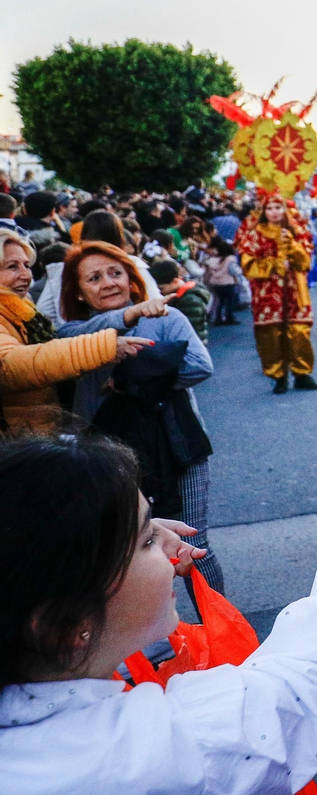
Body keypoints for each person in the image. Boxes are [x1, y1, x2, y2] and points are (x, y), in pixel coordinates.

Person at [0, 426, 317, 795]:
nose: (169, 543)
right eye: (146, 540)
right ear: (65, 627)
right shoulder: (152, 754)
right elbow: (310, 676)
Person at [57, 242, 222, 591]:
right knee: (125, 549)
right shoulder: (72, 336)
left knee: (192, 544)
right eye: (95, 278)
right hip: (108, 457)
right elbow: (66, 340)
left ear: (131, 280)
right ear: (79, 292)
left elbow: (199, 367)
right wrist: (130, 318)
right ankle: (154, 638)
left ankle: (222, 634)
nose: (108, 283)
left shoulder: (167, 319)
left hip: (177, 447)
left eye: (116, 273)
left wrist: (131, 381)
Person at [0, 230, 150, 434]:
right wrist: (104, 347)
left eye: (26, 265)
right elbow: (11, 365)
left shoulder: (24, 309)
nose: (26, 275)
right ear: (78, 292)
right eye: (12, 266)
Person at [236, 193, 317, 394]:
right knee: (270, 333)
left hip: (294, 289)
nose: (274, 213)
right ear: (263, 212)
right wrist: (273, 264)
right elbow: (248, 264)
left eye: (278, 208)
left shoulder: (296, 230)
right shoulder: (254, 234)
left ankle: (301, 373)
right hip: (267, 290)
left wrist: (292, 247)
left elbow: (306, 262)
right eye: (270, 209)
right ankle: (278, 375)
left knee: (299, 331)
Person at [149, 258, 211, 346]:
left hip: (191, 345)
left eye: (161, 288)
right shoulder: (182, 293)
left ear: (174, 281)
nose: (159, 292)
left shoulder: (190, 300)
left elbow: (187, 329)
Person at [202, 236, 244, 326]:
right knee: (229, 300)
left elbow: (208, 272)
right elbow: (233, 271)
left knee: (220, 301)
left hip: (216, 283)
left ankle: (218, 317)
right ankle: (229, 317)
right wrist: (239, 274)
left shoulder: (212, 260)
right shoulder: (230, 259)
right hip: (228, 282)